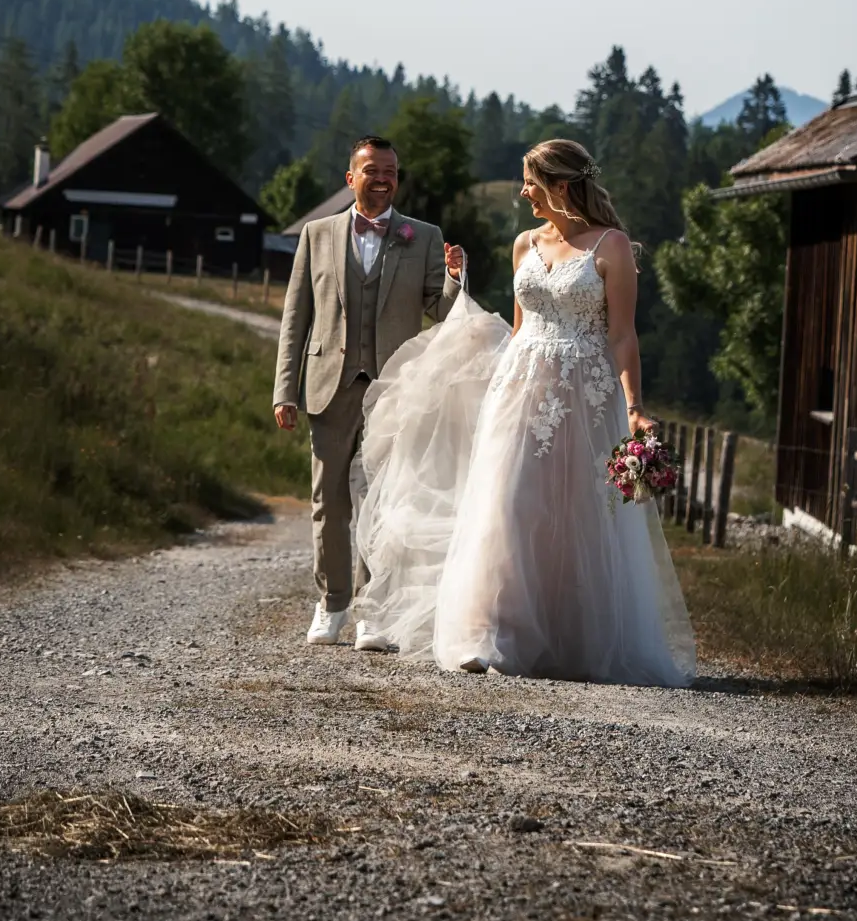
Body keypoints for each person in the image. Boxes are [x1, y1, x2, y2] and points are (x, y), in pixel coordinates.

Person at [355, 138, 695, 685]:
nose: (523, 191)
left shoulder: (612, 247)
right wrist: (460, 292)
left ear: (560, 186)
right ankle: (491, 636)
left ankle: (569, 639)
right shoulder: (523, 244)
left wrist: (634, 408)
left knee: (571, 514)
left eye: (531, 182)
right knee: (508, 505)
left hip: (585, 395)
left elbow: (624, 336)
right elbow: (517, 330)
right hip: (520, 390)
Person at [272, 135, 465, 649]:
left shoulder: (422, 236)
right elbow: (297, 318)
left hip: (394, 389)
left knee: (385, 501)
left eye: (392, 172)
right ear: (350, 177)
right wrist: (283, 390)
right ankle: (332, 603)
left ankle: (375, 613)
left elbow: (441, 313)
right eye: (373, 170)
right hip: (327, 388)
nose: (383, 179)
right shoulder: (316, 234)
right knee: (328, 502)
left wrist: (453, 279)